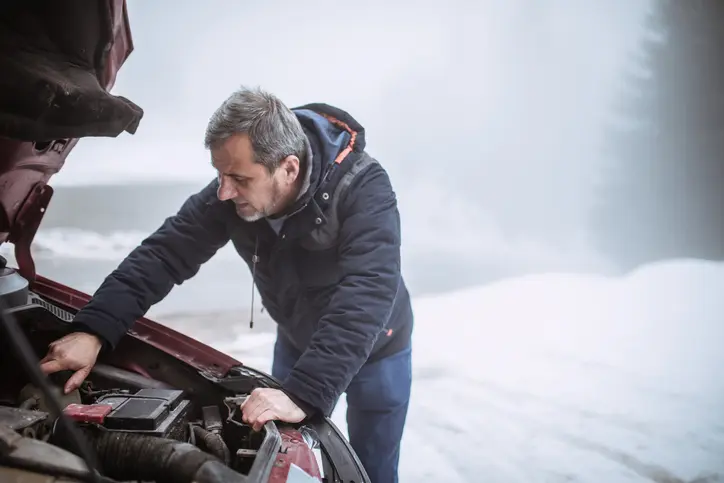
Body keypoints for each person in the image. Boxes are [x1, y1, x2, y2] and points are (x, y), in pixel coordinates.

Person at [39, 86, 414, 483]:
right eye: (219, 174)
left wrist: (304, 393)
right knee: (290, 456)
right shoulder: (232, 194)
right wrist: (94, 329)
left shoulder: (363, 186)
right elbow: (164, 254)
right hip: (297, 342)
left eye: (238, 178)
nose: (223, 191)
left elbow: (368, 290)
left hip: (379, 350)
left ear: (287, 168)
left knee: (373, 471)